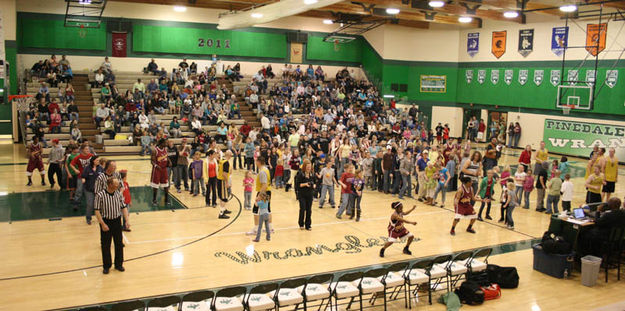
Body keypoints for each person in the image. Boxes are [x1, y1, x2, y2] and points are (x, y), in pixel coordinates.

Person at [94, 177, 129, 274]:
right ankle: (106, 266)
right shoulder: (100, 195)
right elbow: (97, 211)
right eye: (116, 184)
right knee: (105, 245)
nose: (118, 186)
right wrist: (102, 224)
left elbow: (124, 207)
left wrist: (126, 220)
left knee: (119, 244)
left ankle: (119, 264)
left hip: (117, 221)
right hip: (106, 221)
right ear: (110, 185)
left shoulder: (118, 194)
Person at [248, 156, 272, 236]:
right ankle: (270, 228)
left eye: (256, 161)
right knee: (267, 209)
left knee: (256, 210)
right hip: (267, 191)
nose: (255, 162)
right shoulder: (266, 169)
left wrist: (259, 196)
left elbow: (264, 185)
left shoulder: (262, 172)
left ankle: (256, 229)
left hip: (263, 192)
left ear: (258, 162)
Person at [82, 155, 102, 225]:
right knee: (90, 204)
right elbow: (83, 176)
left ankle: (100, 218)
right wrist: (83, 179)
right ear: (93, 161)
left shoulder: (100, 168)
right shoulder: (87, 168)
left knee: (100, 205)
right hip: (89, 189)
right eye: (97, 160)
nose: (98, 161)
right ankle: (88, 218)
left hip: (98, 190)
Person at [295, 159, 315, 230]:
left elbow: (315, 183)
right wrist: (305, 184)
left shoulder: (312, 174)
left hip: (310, 194)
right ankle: (301, 223)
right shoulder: (301, 174)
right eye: (307, 167)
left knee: (309, 210)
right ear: (304, 167)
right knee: (302, 209)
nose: (309, 169)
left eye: (310, 167)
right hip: (302, 194)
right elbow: (298, 185)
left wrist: (314, 185)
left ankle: (308, 224)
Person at [151, 139, 171, 205]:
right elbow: (152, 161)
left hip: (164, 169)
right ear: (161, 143)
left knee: (166, 185)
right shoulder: (155, 150)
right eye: (165, 142)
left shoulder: (165, 149)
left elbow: (166, 157)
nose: (166, 144)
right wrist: (156, 166)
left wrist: (169, 161)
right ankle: (154, 200)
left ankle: (166, 199)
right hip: (157, 170)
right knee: (156, 186)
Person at [217, 150, 234, 219]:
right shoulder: (226, 162)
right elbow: (224, 174)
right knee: (224, 198)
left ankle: (223, 209)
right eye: (231, 155)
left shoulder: (222, 160)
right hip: (222, 181)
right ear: (229, 155)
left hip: (219, 179)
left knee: (222, 196)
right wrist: (227, 182)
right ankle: (221, 213)